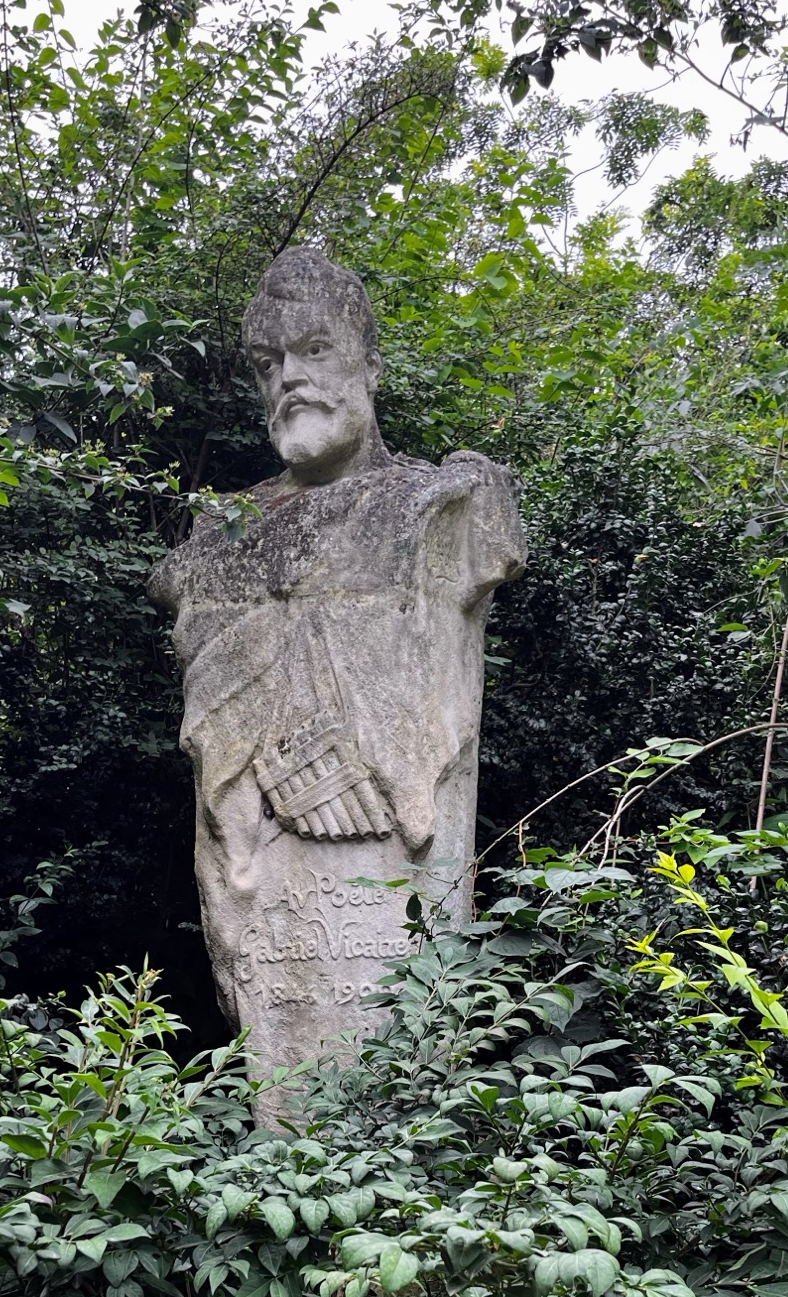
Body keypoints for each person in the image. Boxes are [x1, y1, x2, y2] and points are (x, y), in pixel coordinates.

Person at [150, 249, 527, 1081]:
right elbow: (213, 678)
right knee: (285, 1085)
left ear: (370, 366)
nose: (290, 377)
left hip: (391, 860)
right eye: (269, 363)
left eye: (315, 349)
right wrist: (285, 750)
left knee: (402, 1067)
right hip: (265, 860)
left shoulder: (443, 504)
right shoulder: (222, 535)